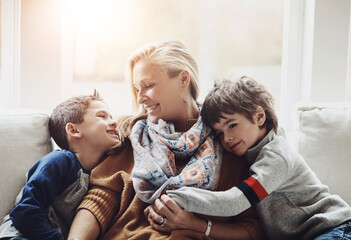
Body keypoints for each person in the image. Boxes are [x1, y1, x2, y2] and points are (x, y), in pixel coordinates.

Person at [68, 41, 266, 240]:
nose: (141, 98)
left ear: (183, 79)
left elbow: (251, 230)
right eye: (137, 89)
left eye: (148, 86)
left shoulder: (229, 140)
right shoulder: (131, 136)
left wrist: (197, 226)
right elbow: (99, 200)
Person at [167, 76, 351, 240]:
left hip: (335, 228)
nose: (227, 138)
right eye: (220, 133)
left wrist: (178, 197)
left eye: (232, 125)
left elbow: (235, 201)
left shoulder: (277, 156)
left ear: (259, 116)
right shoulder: (249, 156)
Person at [0, 90, 120, 240]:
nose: (114, 122)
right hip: (18, 235)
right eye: (102, 116)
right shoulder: (60, 161)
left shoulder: (100, 176)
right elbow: (25, 211)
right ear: (73, 130)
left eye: (111, 117)